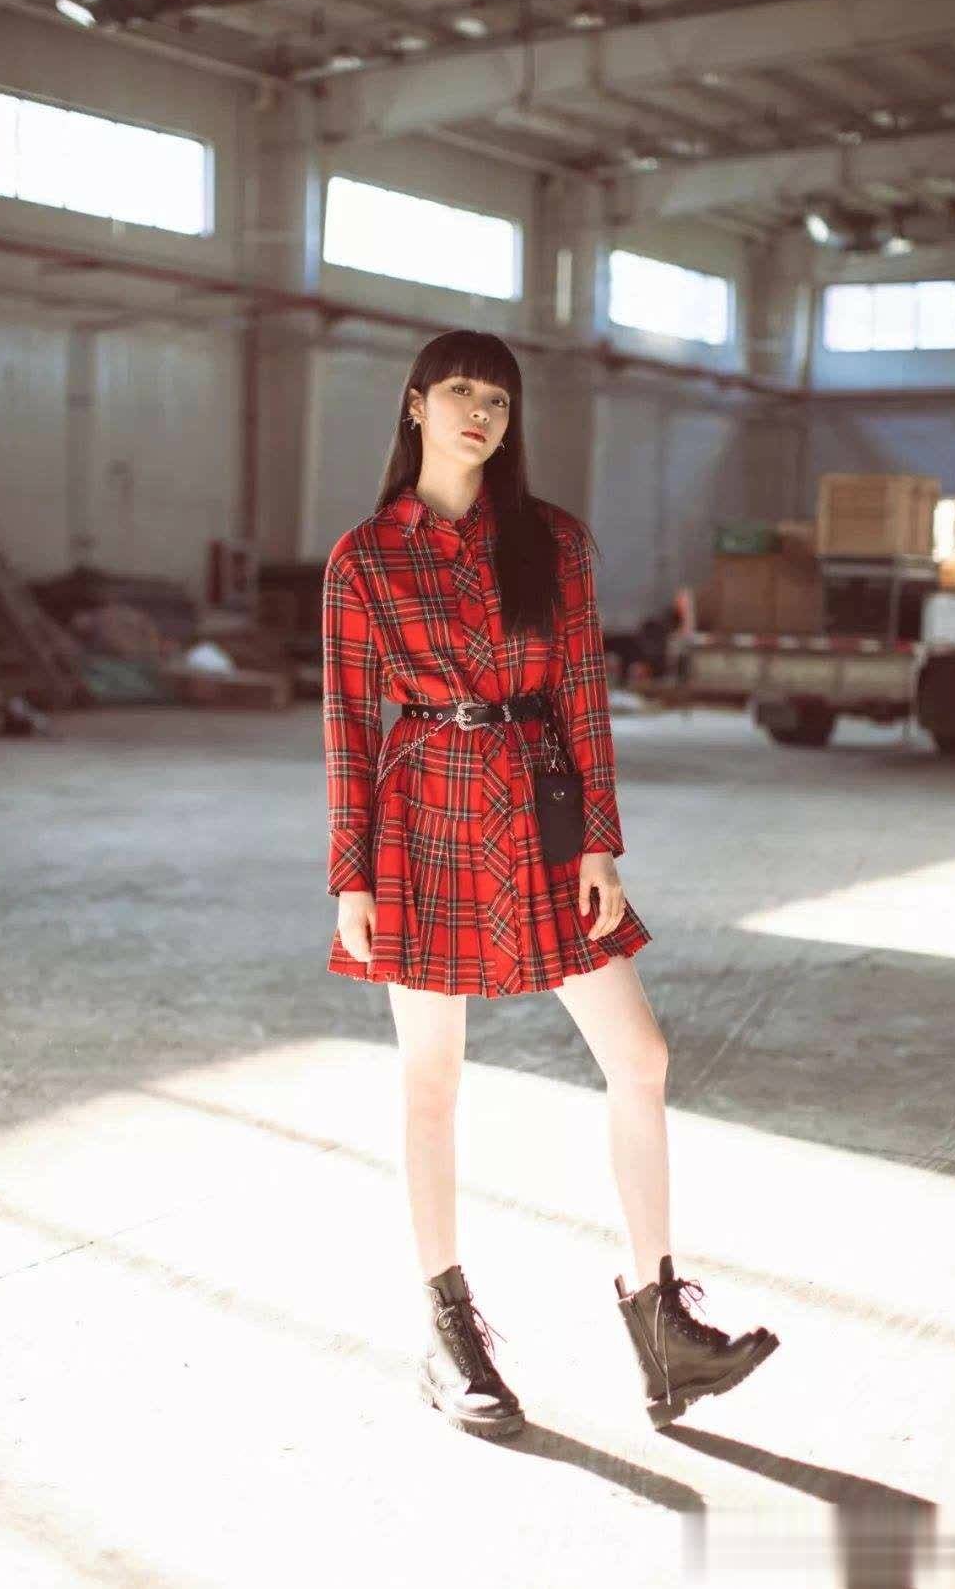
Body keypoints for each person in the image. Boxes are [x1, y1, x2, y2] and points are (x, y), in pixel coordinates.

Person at [321, 328, 778, 1439]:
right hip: (421, 814)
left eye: (500, 400)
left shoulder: (554, 541)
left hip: (541, 807)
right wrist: (351, 876)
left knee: (640, 1057)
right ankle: (449, 1332)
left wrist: (599, 844)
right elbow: (347, 724)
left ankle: (661, 1323)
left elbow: (583, 695)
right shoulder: (364, 558)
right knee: (432, 1079)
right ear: (416, 405)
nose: (482, 414)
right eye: (462, 393)